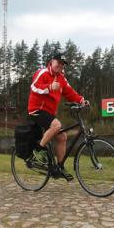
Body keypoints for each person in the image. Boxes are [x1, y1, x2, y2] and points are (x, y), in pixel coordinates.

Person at [28, 52, 89, 181]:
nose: (60, 66)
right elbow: (34, 87)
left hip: (49, 113)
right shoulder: (43, 73)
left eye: (63, 64)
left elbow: (70, 93)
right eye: (59, 63)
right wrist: (49, 87)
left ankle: (60, 167)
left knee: (62, 136)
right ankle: (38, 150)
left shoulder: (61, 78)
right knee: (57, 125)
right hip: (36, 110)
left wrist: (82, 100)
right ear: (52, 61)